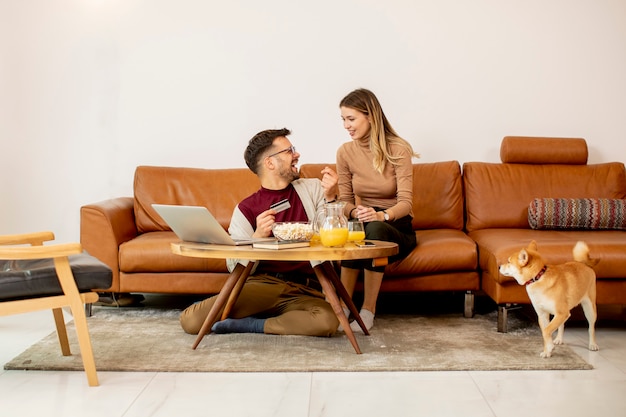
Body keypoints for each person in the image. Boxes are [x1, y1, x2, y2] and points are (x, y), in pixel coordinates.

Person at [180, 128, 340, 337]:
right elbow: (232, 265)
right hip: (263, 285)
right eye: (289, 151)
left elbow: (332, 238)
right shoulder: (246, 208)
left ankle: (249, 325)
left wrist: (330, 199)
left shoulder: (314, 189)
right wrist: (256, 238)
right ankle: (261, 318)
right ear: (270, 163)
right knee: (191, 321)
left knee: (327, 322)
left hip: (305, 289)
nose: (297, 154)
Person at [336, 88, 420, 333]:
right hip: (363, 220)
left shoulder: (398, 149)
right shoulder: (345, 152)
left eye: (351, 119)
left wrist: (381, 215)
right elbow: (344, 202)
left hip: (396, 226)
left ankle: (368, 310)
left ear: (370, 116)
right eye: (343, 119)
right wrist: (355, 213)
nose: (346, 126)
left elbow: (406, 203)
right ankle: (342, 307)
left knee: (373, 228)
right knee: (355, 230)